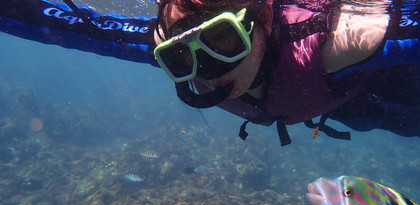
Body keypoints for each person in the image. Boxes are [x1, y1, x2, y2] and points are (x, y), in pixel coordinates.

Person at [1, 0, 419, 146]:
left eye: (223, 42)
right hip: (332, 107)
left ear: (265, 19)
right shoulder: (171, 47)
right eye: (181, 59)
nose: (207, 73)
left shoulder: (333, 40)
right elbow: (60, 25)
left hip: (386, 88)